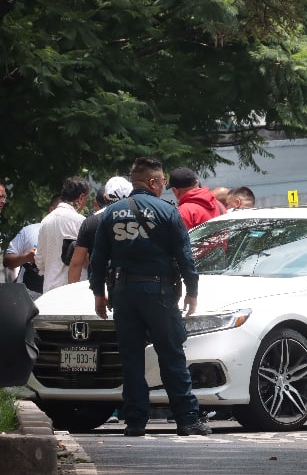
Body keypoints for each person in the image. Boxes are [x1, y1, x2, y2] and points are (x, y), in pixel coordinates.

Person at [88, 156, 210, 437]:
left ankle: (134, 422)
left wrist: (98, 293)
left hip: (122, 294)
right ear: (153, 182)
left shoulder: (111, 213)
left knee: (131, 358)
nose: (164, 187)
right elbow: (185, 256)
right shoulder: (167, 212)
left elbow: (98, 259)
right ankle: (187, 420)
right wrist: (192, 291)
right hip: (159, 294)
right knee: (171, 356)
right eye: (163, 182)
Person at [68, 176, 133, 284]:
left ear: (105, 197)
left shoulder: (90, 222)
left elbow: (76, 264)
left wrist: (71, 294)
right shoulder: (143, 219)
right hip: (132, 287)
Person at [35, 176, 90, 293]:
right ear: (81, 197)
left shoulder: (45, 221)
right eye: (86, 199)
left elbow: (39, 261)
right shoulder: (81, 222)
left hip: (49, 294)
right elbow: (89, 260)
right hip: (74, 293)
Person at [3, 195, 61, 298]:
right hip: (26, 299)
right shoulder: (29, 231)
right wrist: (27, 257)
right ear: (52, 209)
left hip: (58, 299)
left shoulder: (76, 235)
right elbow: (7, 261)